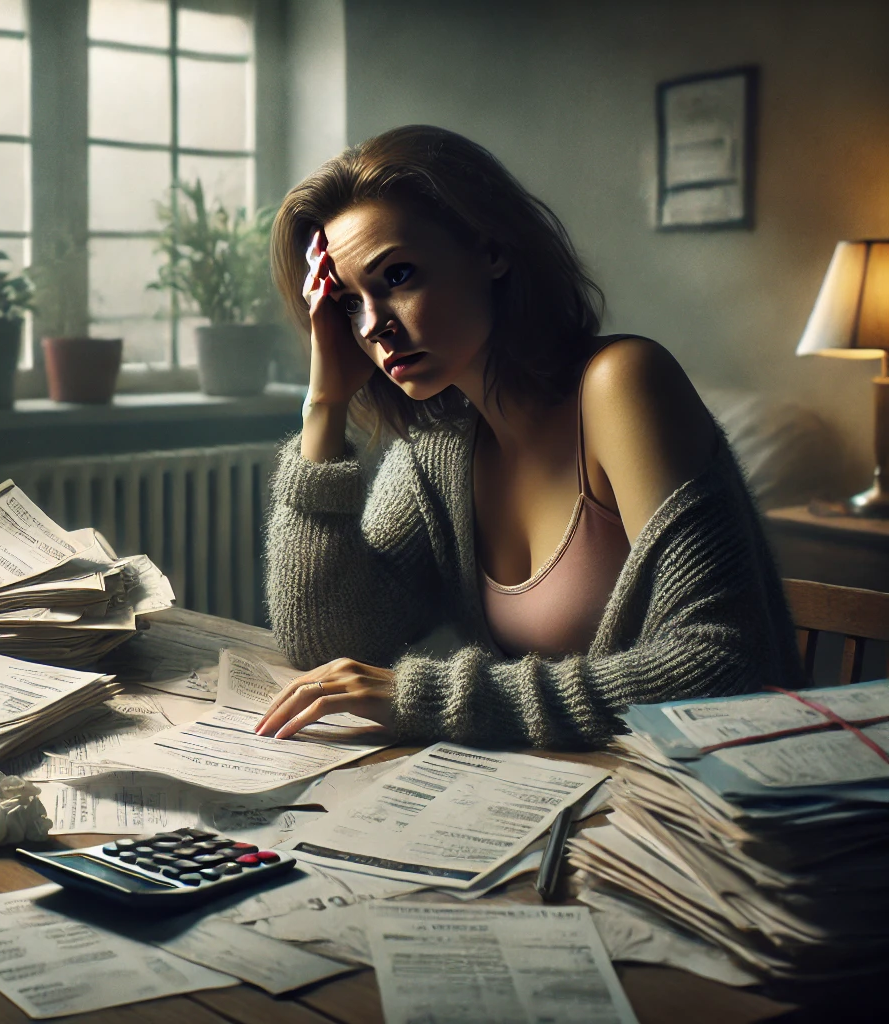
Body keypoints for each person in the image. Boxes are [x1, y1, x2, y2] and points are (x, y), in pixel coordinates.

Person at [255, 125, 801, 749]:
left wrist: (433, 699)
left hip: (716, 807)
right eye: (349, 304)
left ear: (492, 250)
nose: (375, 325)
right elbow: (327, 641)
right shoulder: (439, 445)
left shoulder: (620, 385)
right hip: (572, 792)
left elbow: (721, 668)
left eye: (398, 275)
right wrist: (323, 405)